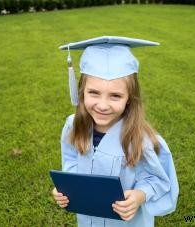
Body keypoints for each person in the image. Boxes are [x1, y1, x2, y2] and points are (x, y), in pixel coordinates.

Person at [52, 36, 179, 227]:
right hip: (88, 219)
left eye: (115, 96)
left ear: (130, 98)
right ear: (81, 91)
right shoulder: (73, 126)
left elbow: (158, 179)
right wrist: (66, 189)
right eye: (94, 93)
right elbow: (70, 161)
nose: (103, 105)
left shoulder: (139, 138)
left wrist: (139, 195)